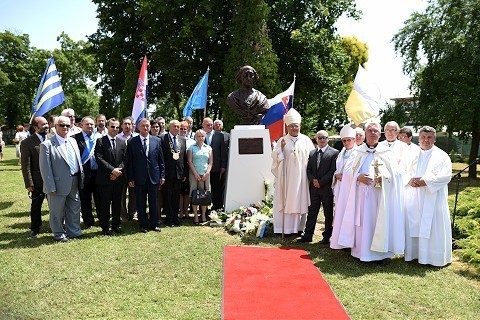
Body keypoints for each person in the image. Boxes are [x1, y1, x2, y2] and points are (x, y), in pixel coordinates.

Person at [341, 121, 405, 263]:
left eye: (375, 131)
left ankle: (379, 255)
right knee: (364, 224)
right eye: (370, 130)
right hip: (362, 198)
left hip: (380, 198)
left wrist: (385, 177)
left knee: (379, 223)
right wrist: (358, 177)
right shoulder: (358, 151)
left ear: (380, 133)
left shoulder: (386, 152)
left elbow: (398, 174)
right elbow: (347, 171)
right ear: (365, 133)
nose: (373, 133)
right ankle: (361, 253)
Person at [404, 126, 452, 266]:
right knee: (415, 224)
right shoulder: (411, 154)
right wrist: (410, 180)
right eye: (423, 137)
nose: (426, 140)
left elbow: (446, 176)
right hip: (415, 196)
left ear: (434, 139)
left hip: (433, 197)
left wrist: (426, 182)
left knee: (433, 227)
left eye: (429, 137)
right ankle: (414, 254)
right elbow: (402, 171)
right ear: (418, 138)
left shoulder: (442, 156)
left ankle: (433, 257)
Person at [39, 116, 84, 242]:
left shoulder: (72, 141)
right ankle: (58, 233)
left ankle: (74, 231)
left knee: (74, 208)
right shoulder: (47, 145)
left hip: (74, 181)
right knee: (57, 212)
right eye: (62, 125)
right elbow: (45, 169)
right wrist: (50, 187)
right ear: (55, 126)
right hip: (57, 184)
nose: (65, 128)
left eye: (67, 125)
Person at [271, 108, 315, 235]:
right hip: (287, 177)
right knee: (286, 200)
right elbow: (275, 157)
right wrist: (281, 150)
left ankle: (298, 228)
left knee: (299, 200)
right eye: (291, 127)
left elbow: (312, 158)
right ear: (287, 127)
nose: (294, 129)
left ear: (299, 126)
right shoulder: (282, 140)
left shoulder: (306, 140)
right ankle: (283, 229)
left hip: (302, 178)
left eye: (296, 126)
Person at [299, 130, 338, 244]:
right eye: (319, 137)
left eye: (324, 137)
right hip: (314, 189)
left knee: (328, 213)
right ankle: (308, 235)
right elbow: (309, 170)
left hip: (326, 188)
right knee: (312, 212)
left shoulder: (335, 153)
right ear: (316, 138)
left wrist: (320, 182)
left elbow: (333, 171)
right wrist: (313, 180)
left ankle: (326, 237)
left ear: (328, 139)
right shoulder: (312, 153)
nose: (322, 140)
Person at [127, 118, 165, 233]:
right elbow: (130, 162)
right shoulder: (132, 142)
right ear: (138, 127)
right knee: (140, 202)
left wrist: (162, 175)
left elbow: (161, 160)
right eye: (143, 126)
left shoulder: (156, 141)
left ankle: (154, 223)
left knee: (154, 202)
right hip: (139, 177)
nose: (145, 128)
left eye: (147, 126)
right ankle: (143, 224)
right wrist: (130, 178)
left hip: (154, 176)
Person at [95, 118, 127, 236]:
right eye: (112, 127)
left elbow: (125, 159)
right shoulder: (100, 141)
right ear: (107, 127)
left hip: (118, 179)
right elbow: (99, 158)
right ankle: (105, 227)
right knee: (105, 204)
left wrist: (118, 171)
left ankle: (116, 225)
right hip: (105, 179)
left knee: (117, 203)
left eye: (117, 127)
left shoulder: (122, 142)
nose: (114, 129)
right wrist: (112, 170)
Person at [20, 116, 49, 238]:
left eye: (47, 123)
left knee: (56, 205)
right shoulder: (27, 143)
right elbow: (25, 166)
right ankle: (35, 228)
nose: (47, 126)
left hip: (53, 179)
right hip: (38, 181)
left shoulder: (52, 139)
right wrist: (29, 183)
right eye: (43, 124)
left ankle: (57, 225)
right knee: (36, 205)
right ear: (36, 127)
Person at [330, 125, 357, 250]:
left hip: (352, 190)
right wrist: (337, 175)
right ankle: (340, 240)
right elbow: (337, 170)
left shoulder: (358, 153)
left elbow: (357, 171)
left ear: (354, 140)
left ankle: (350, 241)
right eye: (344, 141)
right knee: (340, 213)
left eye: (349, 140)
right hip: (341, 188)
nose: (346, 143)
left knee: (350, 214)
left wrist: (344, 176)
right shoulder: (342, 153)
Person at [74, 116, 101, 229]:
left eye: (91, 124)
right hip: (84, 174)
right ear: (81, 126)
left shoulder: (99, 137)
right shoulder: (74, 138)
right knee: (85, 199)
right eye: (87, 124)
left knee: (99, 198)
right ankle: (88, 221)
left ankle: (102, 219)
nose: (90, 126)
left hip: (98, 173)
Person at [160, 120, 188, 227]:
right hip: (167, 173)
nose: (177, 128)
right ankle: (169, 218)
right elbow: (161, 157)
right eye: (175, 126)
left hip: (179, 174)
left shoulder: (182, 140)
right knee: (167, 196)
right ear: (169, 127)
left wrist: (184, 173)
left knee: (176, 197)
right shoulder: (162, 138)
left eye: (178, 127)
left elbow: (184, 158)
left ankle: (175, 217)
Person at [187, 129, 213, 224]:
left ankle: (203, 215)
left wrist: (207, 173)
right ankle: (195, 215)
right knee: (194, 194)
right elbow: (189, 161)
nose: (201, 138)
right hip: (194, 174)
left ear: (205, 137)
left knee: (204, 195)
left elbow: (210, 162)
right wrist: (196, 174)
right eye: (199, 136)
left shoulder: (209, 148)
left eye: (202, 136)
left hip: (205, 175)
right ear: (195, 137)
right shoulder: (191, 148)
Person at [202, 117, 228, 210]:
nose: (210, 126)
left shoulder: (219, 135)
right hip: (202, 167)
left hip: (216, 166)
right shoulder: (199, 135)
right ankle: (203, 207)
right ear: (203, 125)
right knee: (203, 188)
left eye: (210, 124)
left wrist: (223, 165)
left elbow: (223, 152)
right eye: (207, 125)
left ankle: (217, 206)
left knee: (216, 187)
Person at [117, 116, 137, 221]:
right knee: (121, 193)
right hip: (121, 170)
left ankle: (132, 213)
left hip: (133, 169)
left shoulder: (137, 137)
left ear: (132, 126)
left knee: (133, 193)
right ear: (122, 126)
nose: (127, 126)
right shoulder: (117, 137)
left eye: (129, 124)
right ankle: (123, 213)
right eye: (125, 124)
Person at [179, 120, 195, 218]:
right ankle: (180, 210)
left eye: (185, 129)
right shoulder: (176, 141)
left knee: (188, 191)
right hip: (180, 170)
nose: (183, 130)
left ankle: (186, 210)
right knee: (180, 192)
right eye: (181, 128)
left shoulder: (192, 142)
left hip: (191, 170)